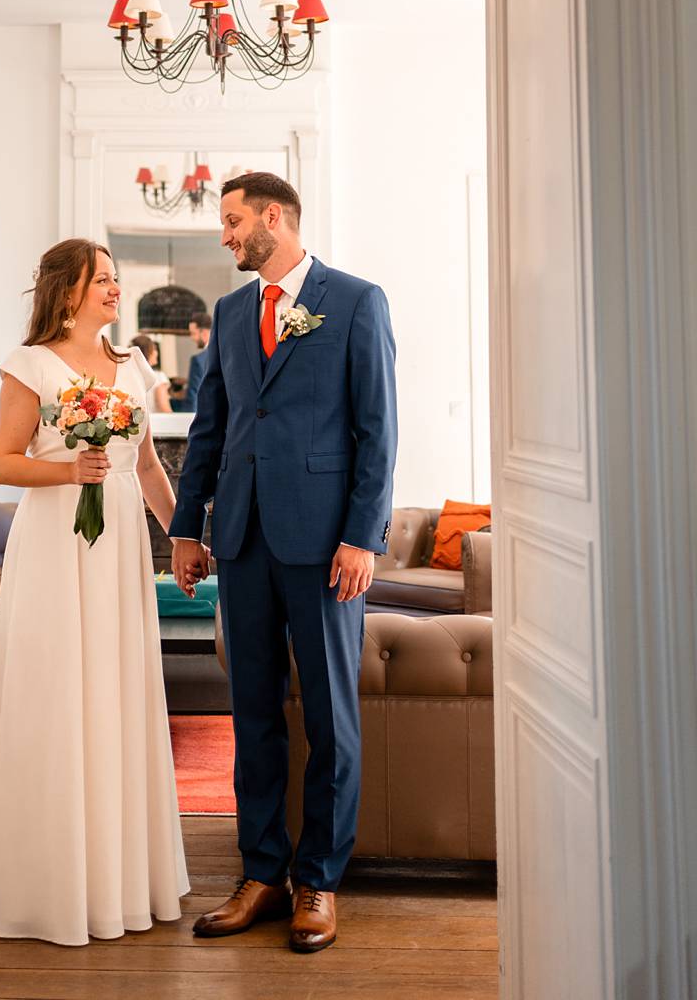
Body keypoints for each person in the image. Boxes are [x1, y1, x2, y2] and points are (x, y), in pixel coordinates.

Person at [169, 173, 396, 956]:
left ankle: (318, 881)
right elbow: (211, 428)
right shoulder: (232, 312)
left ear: (274, 217)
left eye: (232, 220)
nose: (225, 235)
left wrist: (363, 536)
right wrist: (186, 527)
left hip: (327, 545)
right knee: (254, 715)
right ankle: (261, 873)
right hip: (240, 541)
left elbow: (377, 430)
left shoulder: (358, 300)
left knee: (331, 715)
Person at [0, 239, 190, 945]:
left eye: (117, 278)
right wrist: (70, 473)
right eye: (104, 279)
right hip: (56, 542)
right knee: (59, 689)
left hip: (119, 541)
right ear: (69, 292)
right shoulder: (28, 364)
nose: (116, 288)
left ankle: (121, 873)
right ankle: (53, 878)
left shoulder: (134, 364)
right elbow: (3, 462)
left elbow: (149, 465)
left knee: (116, 690)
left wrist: (182, 535)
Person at [129, 332, 172, 413]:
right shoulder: (159, 377)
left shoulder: (130, 376)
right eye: (154, 349)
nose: (156, 353)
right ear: (148, 352)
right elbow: (163, 406)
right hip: (155, 421)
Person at [185, 312, 213, 410]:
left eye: (193, 334)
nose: (192, 338)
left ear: (204, 333)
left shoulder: (198, 361)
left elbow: (194, 396)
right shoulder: (227, 354)